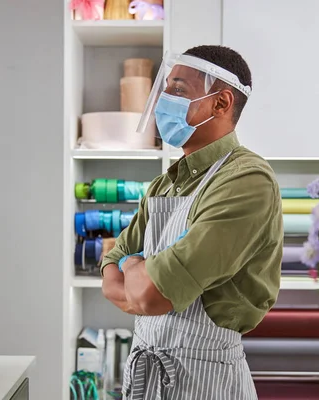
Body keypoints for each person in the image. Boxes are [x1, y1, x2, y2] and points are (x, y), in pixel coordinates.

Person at [101, 45, 283, 400]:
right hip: (146, 376)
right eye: (166, 88)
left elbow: (154, 293)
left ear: (221, 102)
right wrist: (142, 276)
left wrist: (136, 266)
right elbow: (110, 273)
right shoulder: (164, 183)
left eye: (178, 90)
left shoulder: (247, 179)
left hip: (205, 379)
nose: (163, 100)